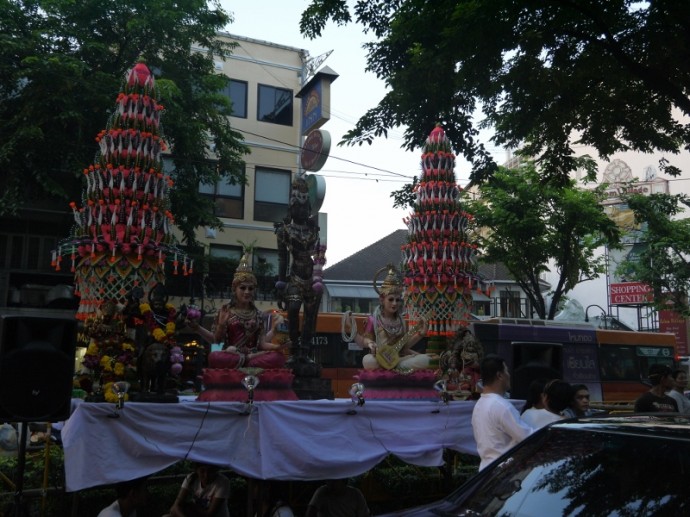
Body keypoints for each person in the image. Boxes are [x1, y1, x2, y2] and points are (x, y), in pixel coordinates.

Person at [189, 252, 286, 369]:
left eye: (251, 288)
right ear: (234, 290)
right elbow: (216, 342)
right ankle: (247, 360)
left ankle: (247, 360)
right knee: (215, 356)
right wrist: (215, 326)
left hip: (253, 355)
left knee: (279, 357)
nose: (247, 292)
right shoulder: (225, 311)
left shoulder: (258, 314)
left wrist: (277, 345)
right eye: (243, 288)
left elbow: (262, 343)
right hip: (232, 355)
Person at [275, 174, 325, 369]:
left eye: (304, 207)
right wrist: (280, 284)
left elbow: (319, 254)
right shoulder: (284, 231)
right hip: (295, 276)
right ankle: (294, 349)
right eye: (298, 206)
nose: (301, 210)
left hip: (312, 277)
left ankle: (306, 351)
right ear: (292, 207)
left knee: (311, 317)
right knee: (294, 310)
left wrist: (320, 266)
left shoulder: (314, 231)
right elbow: (282, 258)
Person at [349, 264, 430, 371]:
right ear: (382, 299)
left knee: (425, 360)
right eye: (391, 299)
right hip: (379, 360)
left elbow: (403, 347)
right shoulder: (373, 320)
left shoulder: (401, 321)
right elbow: (364, 341)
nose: (395, 303)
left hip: (398, 359)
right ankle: (395, 368)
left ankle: (396, 367)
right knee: (368, 360)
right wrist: (369, 343)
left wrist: (420, 334)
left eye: (398, 300)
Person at [471, 355, 534, 470]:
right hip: (502, 473)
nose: (509, 375)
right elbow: (529, 437)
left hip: (486, 470)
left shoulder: (480, 404)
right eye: (507, 371)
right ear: (499, 375)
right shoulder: (501, 406)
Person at [164, 463, 231, 517]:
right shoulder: (190, 478)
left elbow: (209, 514)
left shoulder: (222, 482)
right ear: (196, 470)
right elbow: (175, 506)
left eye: (210, 471)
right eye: (202, 471)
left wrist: (191, 506)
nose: (206, 475)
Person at [305, 479, 370, 517]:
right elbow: (310, 513)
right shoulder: (322, 492)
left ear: (344, 481)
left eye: (335, 481)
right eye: (329, 480)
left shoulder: (356, 494)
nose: (331, 484)